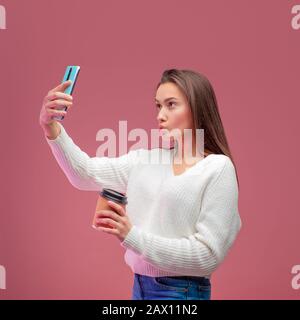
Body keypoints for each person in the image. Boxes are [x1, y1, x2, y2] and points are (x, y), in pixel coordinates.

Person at [39, 69, 242, 300]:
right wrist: (50, 125)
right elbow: (83, 172)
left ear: (197, 108)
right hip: (140, 289)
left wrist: (131, 236)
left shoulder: (217, 169)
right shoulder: (145, 160)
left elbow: (207, 255)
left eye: (171, 104)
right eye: (158, 105)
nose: (160, 115)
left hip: (182, 293)